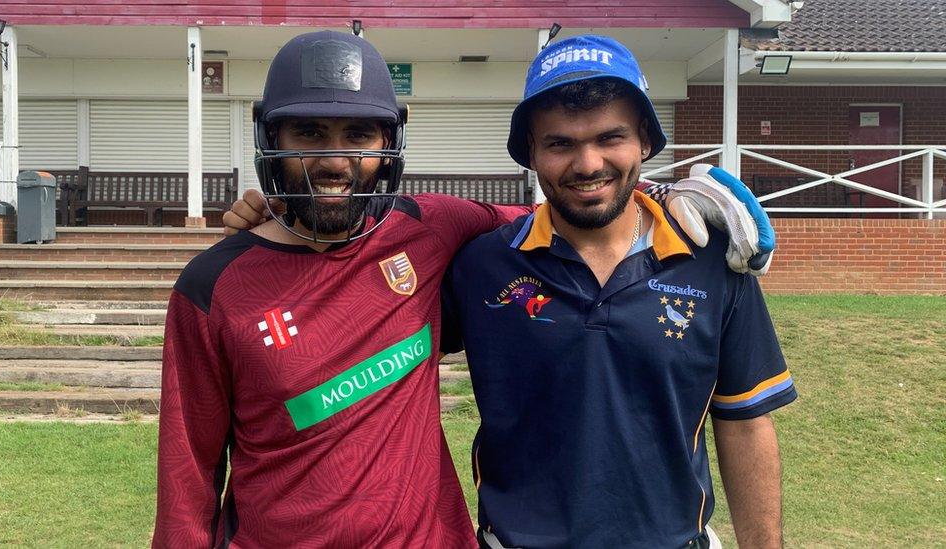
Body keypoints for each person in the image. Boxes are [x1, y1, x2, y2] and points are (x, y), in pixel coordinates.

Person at [172, 31, 774, 548]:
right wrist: (260, 234)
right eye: (308, 133)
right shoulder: (214, 287)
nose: (336, 158)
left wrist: (667, 201)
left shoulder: (434, 231)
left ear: (389, 146)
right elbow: (187, 475)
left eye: (359, 133)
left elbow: (576, 215)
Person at [441, 35, 796, 548]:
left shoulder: (715, 261)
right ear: (532, 154)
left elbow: (744, 421)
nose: (588, 164)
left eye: (610, 138)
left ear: (646, 141)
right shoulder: (482, 265)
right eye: (560, 143)